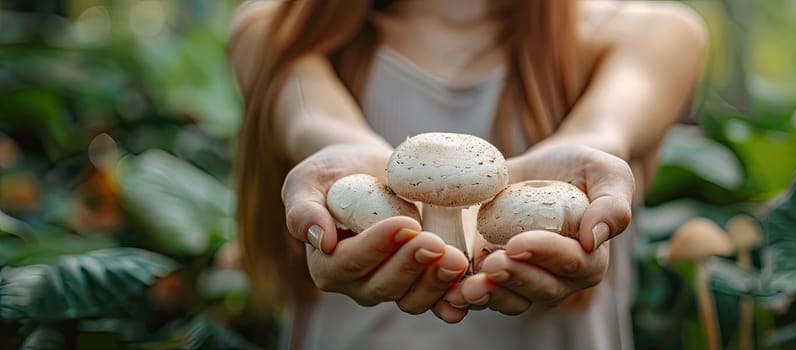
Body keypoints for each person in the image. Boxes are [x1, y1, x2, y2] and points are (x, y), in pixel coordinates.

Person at [229, 0, 707, 349]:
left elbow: (604, 127)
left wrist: (580, 164)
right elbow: (314, 121)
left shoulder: (652, 33)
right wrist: (343, 155)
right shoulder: (277, 30)